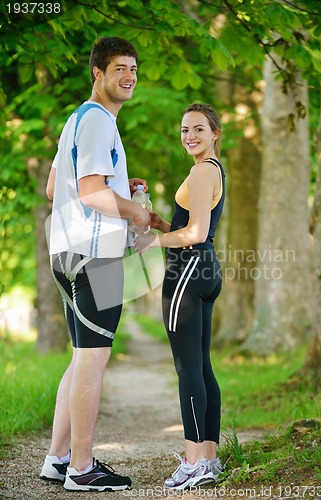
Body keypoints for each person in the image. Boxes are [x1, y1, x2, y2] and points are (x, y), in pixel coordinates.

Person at [40, 36, 150, 492]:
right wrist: (135, 210)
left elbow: (54, 188)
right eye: (119, 68)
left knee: (80, 358)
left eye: (134, 69)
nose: (129, 76)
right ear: (98, 74)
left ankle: (57, 459)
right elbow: (89, 192)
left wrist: (121, 187)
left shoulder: (76, 120)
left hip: (65, 252)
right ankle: (82, 468)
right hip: (96, 254)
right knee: (93, 360)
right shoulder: (100, 121)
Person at [135, 103, 225, 490]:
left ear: (215, 133)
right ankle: (209, 459)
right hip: (206, 269)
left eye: (198, 129)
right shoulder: (214, 171)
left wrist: (154, 241)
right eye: (184, 130)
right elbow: (190, 227)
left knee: (188, 369)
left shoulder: (201, 171)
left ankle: (193, 464)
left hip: (188, 271)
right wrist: (162, 224)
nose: (190, 136)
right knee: (201, 367)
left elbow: (195, 234)